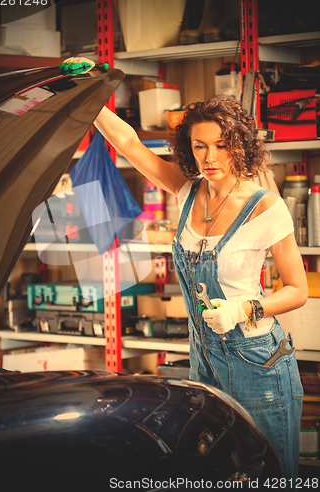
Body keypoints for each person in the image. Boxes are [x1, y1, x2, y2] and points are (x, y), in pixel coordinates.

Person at [93, 93, 308, 481]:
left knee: (270, 478)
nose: (210, 157)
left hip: (258, 363)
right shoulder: (185, 189)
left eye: (222, 146)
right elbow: (128, 143)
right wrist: (86, 98)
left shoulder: (266, 207)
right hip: (202, 360)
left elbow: (297, 289)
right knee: (215, 474)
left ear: (239, 146)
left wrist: (245, 308)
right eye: (200, 146)